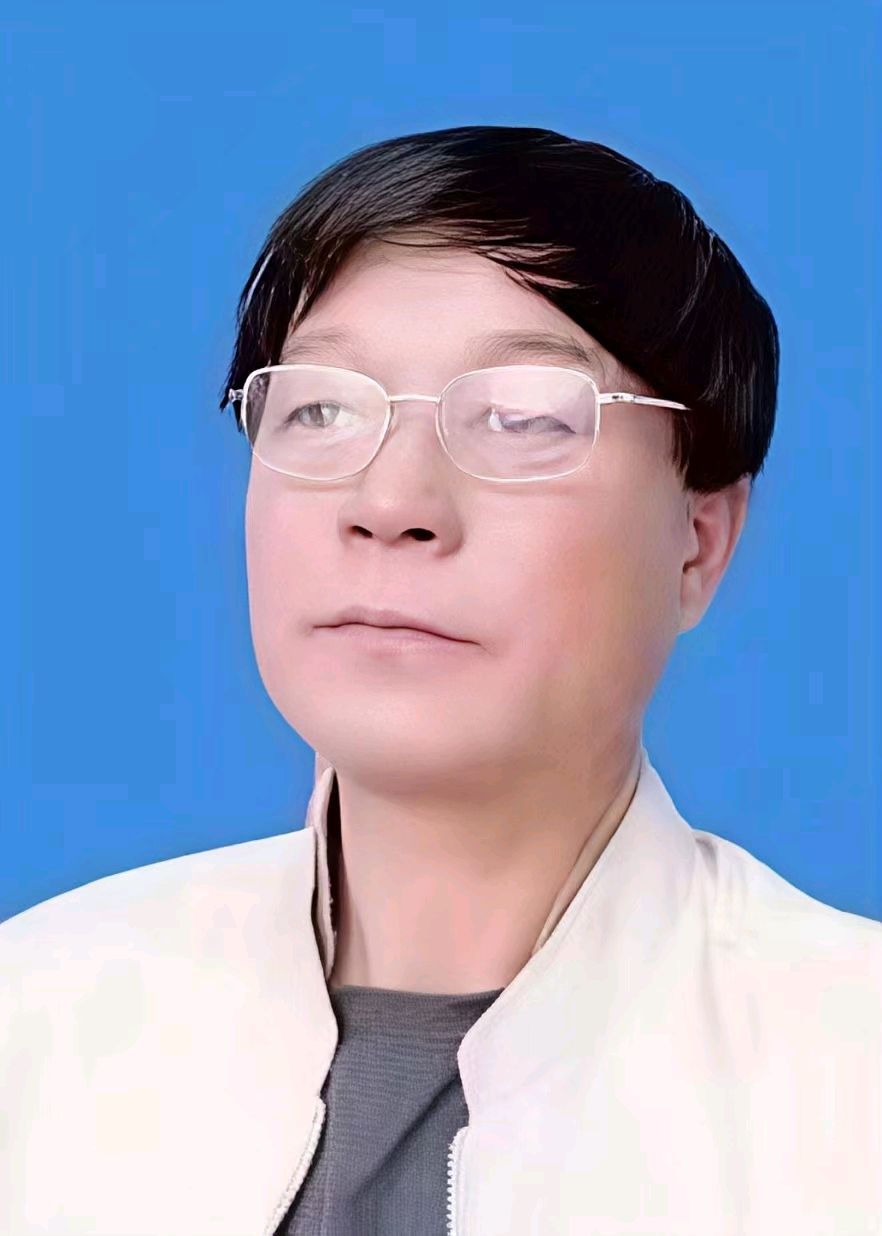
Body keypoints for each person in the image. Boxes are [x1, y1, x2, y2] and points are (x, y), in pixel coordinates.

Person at [1, 124, 879, 1236]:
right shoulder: (36, 1022)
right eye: (322, 408)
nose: (390, 502)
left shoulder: (849, 1080)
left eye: (522, 417)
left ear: (699, 542)